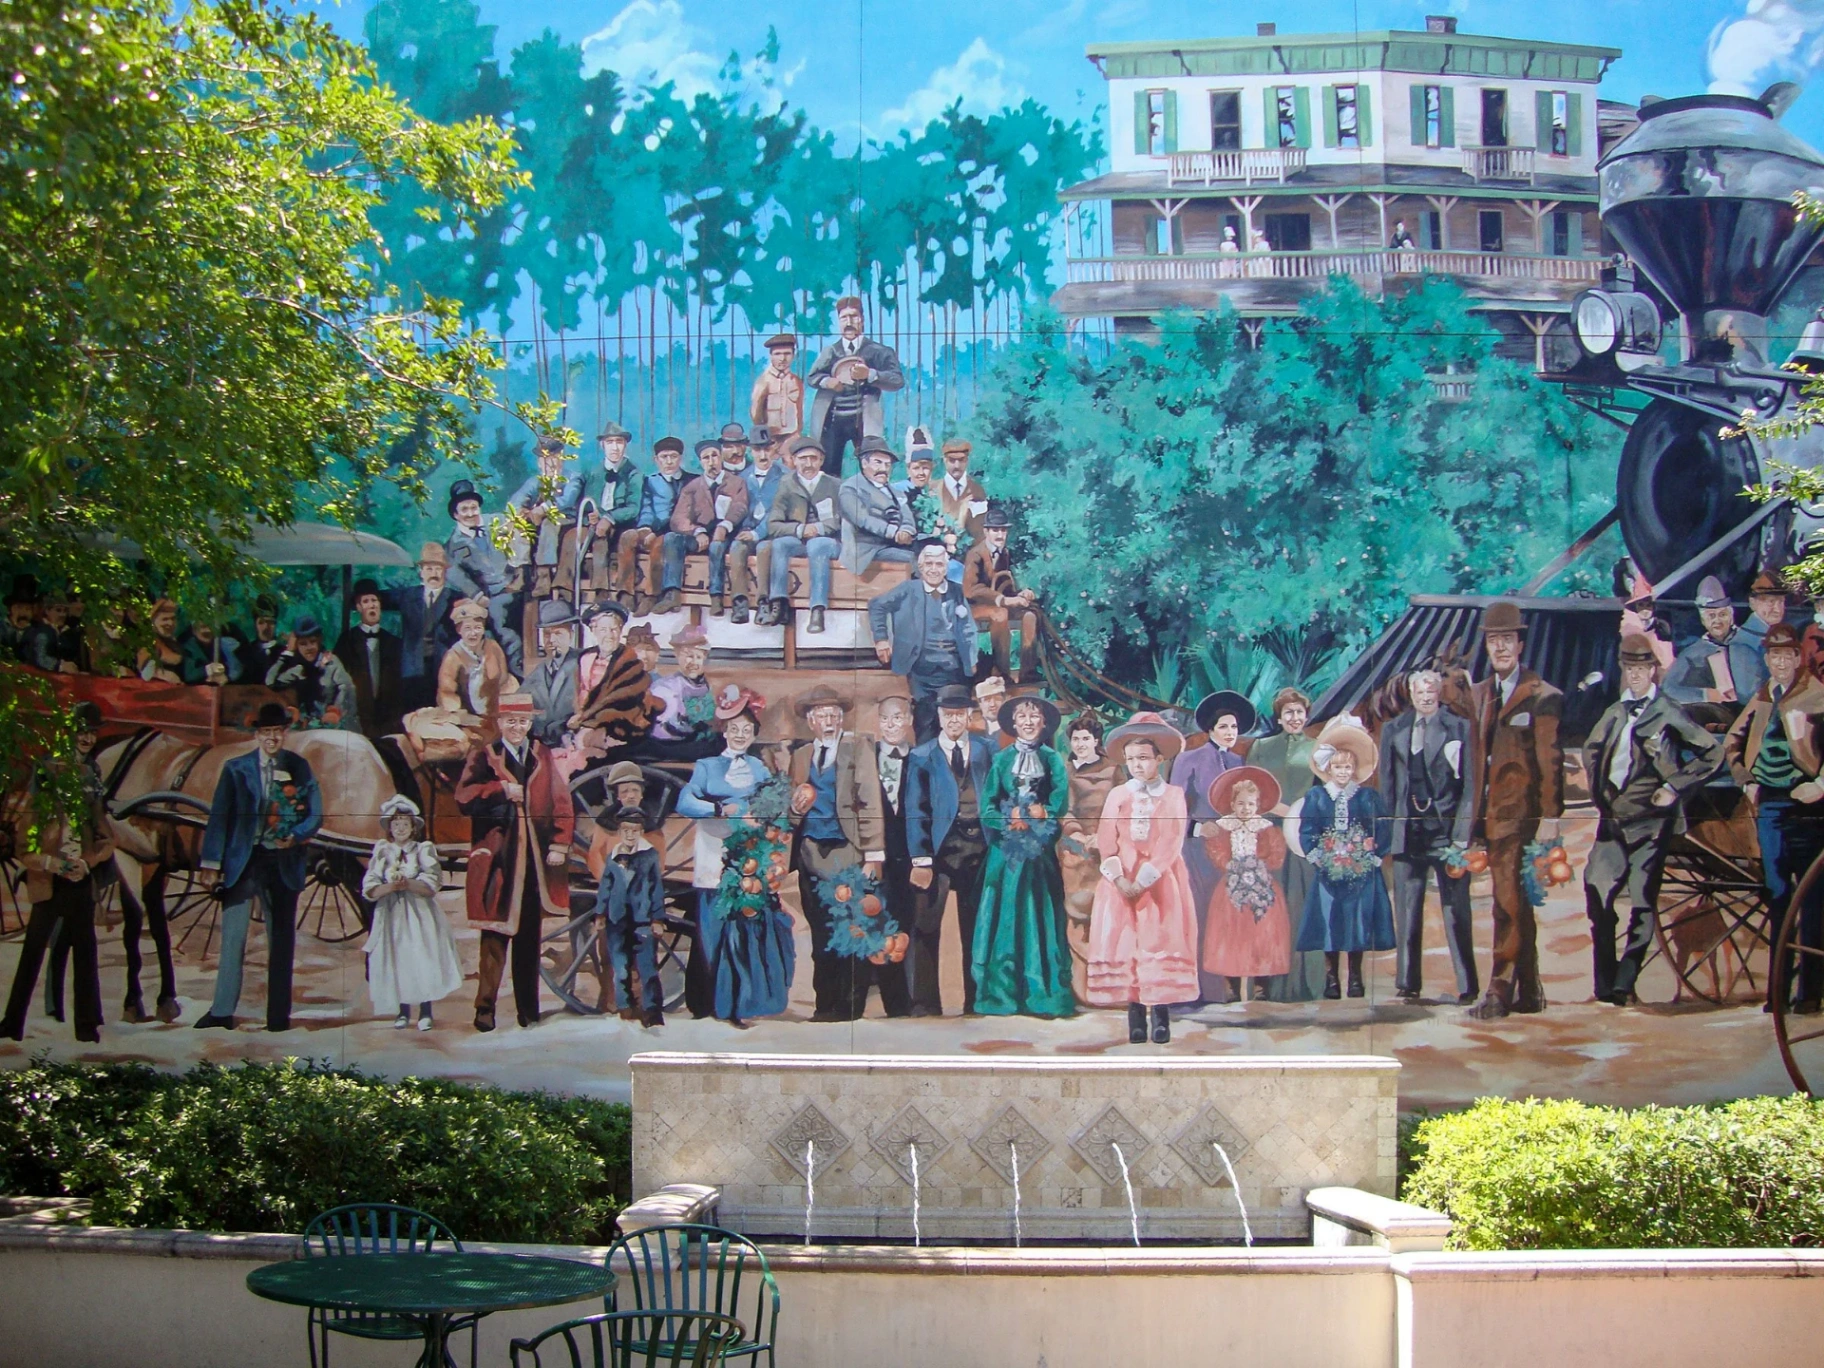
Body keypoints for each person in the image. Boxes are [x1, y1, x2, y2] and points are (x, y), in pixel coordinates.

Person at [1585, 635, 1724, 1007]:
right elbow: (1591, 750)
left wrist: (1674, 787)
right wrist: (1601, 794)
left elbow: (1712, 753)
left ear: (1652, 671)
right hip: (1613, 821)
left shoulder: (1667, 711)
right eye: (1629, 668)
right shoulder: (1615, 712)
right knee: (1597, 892)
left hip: (1651, 822)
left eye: (1642, 668)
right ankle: (1605, 980)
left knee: (1642, 901)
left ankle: (1623, 982)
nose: (1635, 675)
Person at [192, 701, 322, 1031]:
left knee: (281, 942)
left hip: (282, 861)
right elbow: (220, 817)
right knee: (233, 938)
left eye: (277, 731)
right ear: (257, 735)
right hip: (244, 861)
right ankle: (222, 1012)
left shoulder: (299, 767)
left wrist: (295, 835)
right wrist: (211, 863)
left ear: (285, 733)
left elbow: (315, 814)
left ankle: (277, 1017)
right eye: (266, 732)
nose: (272, 738)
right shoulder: (236, 769)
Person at [1466, 599, 1563, 1020]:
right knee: (1515, 901)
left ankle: (1499, 990)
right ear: (1487, 646)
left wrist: (1551, 817)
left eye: (1508, 639)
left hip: (1520, 817)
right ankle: (1530, 989)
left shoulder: (1543, 696)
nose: (1501, 647)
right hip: (1485, 817)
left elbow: (1550, 761)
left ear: (1520, 645)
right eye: (1494, 640)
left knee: (1506, 903)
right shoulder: (1478, 695)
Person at [455, 692, 573, 1031]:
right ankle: (485, 1009)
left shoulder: (541, 754)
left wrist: (560, 843)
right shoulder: (484, 755)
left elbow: (560, 799)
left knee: (528, 940)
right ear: (500, 723)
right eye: (510, 721)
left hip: (533, 864)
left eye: (522, 721)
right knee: (494, 937)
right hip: (499, 861)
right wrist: (499, 791)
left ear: (530, 723)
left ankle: (528, 1011)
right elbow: (463, 797)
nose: (517, 727)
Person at [1726, 623, 1824, 1013]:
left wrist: (1819, 785)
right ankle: (1778, 993)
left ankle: (1810, 994)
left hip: (1810, 807)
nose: (1780, 663)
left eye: (1786, 656)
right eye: (1774, 656)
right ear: (1766, 659)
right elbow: (1734, 741)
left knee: (1813, 900)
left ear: (1798, 658)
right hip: (1770, 805)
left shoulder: (1817, 695)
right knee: (1778, 895)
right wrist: (1746, 780)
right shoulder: (1764, 696)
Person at [0, 702, 112, 1043]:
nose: (87, 738)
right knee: (34, 950)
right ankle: (12, 1022)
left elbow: (105, 837)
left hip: (79, 880)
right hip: (49, 880)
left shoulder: (92, 774)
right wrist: (53, 864)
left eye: (92, 733)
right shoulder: (46, 770)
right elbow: (25, 843)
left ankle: (86, 1026)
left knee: (86, 952)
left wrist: (87, 863)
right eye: (82, 732)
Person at [1087, 712, 1199, 1043]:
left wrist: (1146, 878)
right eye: (1132, 759)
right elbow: (1106, 837)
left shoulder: (1172, 795)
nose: (1138, 765)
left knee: (1157, 942)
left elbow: (1171, 840)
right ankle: (1135, 1017)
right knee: (1127, 944)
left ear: (1159, 759)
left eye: (1145, 758)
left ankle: (1161, 1018)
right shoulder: (1118, 795)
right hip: (1121, 882)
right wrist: (1119, 877)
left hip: (1160, 883)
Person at [681, 695, 794, 1024]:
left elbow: (771, 806)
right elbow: (685, 801)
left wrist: (771, 826)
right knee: (714, 931)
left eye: (746, 730)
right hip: (715, 854)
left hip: (749, 857)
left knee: (744, 933)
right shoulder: (707, 766)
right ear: (725, 732)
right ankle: (713, 1003)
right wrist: (718, 808)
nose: (740, 735)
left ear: (754, 734)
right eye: (734, 729)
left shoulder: (759, 768)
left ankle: (739, 1005)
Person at [1379, 669, 1480, 1005]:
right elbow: (1388, 785)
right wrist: (1387, 831)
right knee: (1407, 909)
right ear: (1411, 693)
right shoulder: (1394, 729)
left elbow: (1470, 786)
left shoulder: (1459, 727)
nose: (1425, 697)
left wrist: (1462, 835)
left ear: (1439, 693)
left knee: (1456, 910)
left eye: (1431, 692)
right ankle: (1408, 983)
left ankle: (1467, 984)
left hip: (1446, 833)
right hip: (1408, 832)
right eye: (1420, 692)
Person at [787, 686, 886, 1021]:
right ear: (810, 722)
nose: (828, 722)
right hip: (811, 853)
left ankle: (849, 1005)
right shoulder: (801, 756)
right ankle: (825, 1003)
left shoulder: (857, 748)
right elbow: (791, 809)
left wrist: (873, 854)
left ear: (841, 719)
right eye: (822, 716)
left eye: (834, 715)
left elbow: (870, 799)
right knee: (820, 930)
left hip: (847, 851)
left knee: (851, 926)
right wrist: (794, 807)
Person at [904, 683, 995, 1015]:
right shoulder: (922, 756)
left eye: (959, 714)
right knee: (926, 925)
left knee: (977, 928)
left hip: (979, 850)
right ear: (939, 716)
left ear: (969, 716)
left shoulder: (987, 750)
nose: (954, 720)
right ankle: (924, 1003)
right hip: (938, 851)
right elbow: (915, 810)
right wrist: (921, 859)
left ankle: (978, 1000)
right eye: (948, 714)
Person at [1295, 719, 1395, 1000]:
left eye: (1348, 768)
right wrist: (1319, 856)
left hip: (1360, 873)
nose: (1342, 772)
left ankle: (1355, 977)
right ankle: (1331, 979)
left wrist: (1372, 853)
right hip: (1328, 871)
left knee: (1356, 922)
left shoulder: (1366, 797)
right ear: (1328, 769)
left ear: (1354, 770)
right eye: (1337, 767)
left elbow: (1382, 827)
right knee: (1330, 922)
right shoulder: (1317, 797)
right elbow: (1308, 829)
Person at [1242, 688, 1323, 1001]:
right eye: (1288, 712)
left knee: (1301, 903)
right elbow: (1250, 786)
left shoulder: (1317, 748)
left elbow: (1323, 791)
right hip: (1269, 833)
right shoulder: (1261, 747)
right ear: (1279, 717)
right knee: (1269, 905)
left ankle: (1306, 984)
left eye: (1299, 712)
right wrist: (1278, 809)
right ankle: (1268, 983)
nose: (1294, 717)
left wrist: (1302, 815)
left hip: (1303, 834)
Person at [1171, 690, 1252, 1003]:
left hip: (1230, 847)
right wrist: (1196, 828)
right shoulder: (1189, 759)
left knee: (1228, 913)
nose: (1230, 732)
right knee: (1200, 913)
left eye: (1234, 727)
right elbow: (1175, 807)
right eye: (1224, 727)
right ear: (1210, 730)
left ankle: (1226, 983)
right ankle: (1198, 987)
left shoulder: (1237, 761)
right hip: (1196, 847)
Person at [361, 795, 461, 1030]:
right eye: (396, 824)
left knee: (420, 957)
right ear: (389, 828)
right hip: (391, 915)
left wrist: (409, 884)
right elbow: (370, 885)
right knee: (398, 958)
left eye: (405, 824)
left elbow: (432, 883)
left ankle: (426, 1011)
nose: (400, 829)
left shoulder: (422, 849)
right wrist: (389, 887)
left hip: (418, 914)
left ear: (413, 827)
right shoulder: (383, 850)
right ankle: (402, 1011)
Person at [868, 540, 980, 743]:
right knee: (925, 722)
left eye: (939, 564)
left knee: (953, 723)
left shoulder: (956, 592)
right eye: (929, 564)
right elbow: (877, 605)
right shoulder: (909, 590)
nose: (934, 569)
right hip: (921, 668)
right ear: (920, 567)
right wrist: (881, 639)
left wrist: (971, 657)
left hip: (953, 668)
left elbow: (968, 627)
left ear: (945, 568)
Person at [1201, 766, 1290, 1004]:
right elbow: (1216, 852)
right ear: (1232, 804)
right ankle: (1231, 986)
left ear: (1258, 805)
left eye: (1250, 804)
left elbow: (1277, 855)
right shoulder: (1223, 828)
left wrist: (1259, 867)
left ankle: (1261, 987)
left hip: (1262, 886)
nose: (1245, 808)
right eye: (1240, 803)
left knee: (1262, 934)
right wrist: (1231, 865)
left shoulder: (1266, 828)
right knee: (1231, 934)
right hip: (1231, 886)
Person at [1056, 710, 1119, 1003]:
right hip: (1075, 850)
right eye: (1076, 739)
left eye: (1086, 739)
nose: (1080, 744)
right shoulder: (1064, 770)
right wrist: (1077, 833)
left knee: (1106, 916)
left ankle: (1108, 985)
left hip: (1107, 850)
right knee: (1077, 915)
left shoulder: (1114, 771)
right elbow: (1063, 808)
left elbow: (1121, 806)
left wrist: (1104, 835)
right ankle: (1081, 988)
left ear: (1096, 741)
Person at [807, 296, 905, 475]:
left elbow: (897, 380)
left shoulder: (878, 351)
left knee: (871, 467)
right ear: (839, 322)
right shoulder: (831, 352)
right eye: (844, 318)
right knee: (829, 469)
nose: (849, 322)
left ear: (862, 320)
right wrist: (828, 382)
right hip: (834, 419)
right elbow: (812, 377)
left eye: (853, 316)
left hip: (864, 419)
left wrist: (870, 374)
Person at [865, 695, 917, 1018]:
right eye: (885, 719)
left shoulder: (921, 759)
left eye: (898, 718)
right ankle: (881, 999)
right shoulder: (866, 758)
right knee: (873, 922)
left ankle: (902, 1005)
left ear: (909, 720)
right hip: (875, 857)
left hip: (910, 858)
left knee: (905, 925)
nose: (891, 725)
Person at [757, 437, 842, 632]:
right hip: (800, 540)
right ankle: (779, 602)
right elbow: (773, 524)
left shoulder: (835, 485)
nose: (808, 464)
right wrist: (800, 529)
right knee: (780, 544)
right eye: (803, 459)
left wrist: (819, 528)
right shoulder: (786, 484)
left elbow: (844, 519)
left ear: (821, 461)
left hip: (830, 542)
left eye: (813, 458)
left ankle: (817, 609)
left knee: (816, 545)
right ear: (794, 460)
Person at [593, 804, 666, 1026]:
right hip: (617, 920)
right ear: (619, 832)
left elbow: (656, 888)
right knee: (620, 968)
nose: (630, 835)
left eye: (634, 830)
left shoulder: (649, 856)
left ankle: (652, 1011)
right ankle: (625, 1009)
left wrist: (657, 918)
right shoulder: (613, 857)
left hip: (642, 920)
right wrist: (600, 913)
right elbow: (606, 886)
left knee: (647, 968)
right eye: (625, 830)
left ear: (641, 831)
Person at [444, 477, 523, 676]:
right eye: (464, 509)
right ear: (455, 514)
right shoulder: (453, 544)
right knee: (499, 622)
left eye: (474, 507)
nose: (471, 513)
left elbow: (522, 539)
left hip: (518, 585)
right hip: (491, 596)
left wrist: (520, 573)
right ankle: (517, 671)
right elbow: (454, 573)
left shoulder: (498, 522)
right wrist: (477, 595)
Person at [663, 440, 749, 617]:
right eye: (706, 458)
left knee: (716, 546)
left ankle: (716, 597)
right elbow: (678, 518)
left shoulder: (736, 483)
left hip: (726, 534)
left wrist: (725, 526)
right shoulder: (692, 487)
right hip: (700, 534)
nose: (711, 462)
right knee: (672, 538)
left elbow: (740, 507)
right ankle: (672, 593)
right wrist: (697, 531)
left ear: (721, 457)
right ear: (701, 462)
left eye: (714, 456)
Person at [963, 507, 1041, 684]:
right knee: (1000, 614)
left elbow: (1005, 586)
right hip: (975, 607)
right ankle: (1001, 669)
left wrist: (1020, 594)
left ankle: (1027, 672)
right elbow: (970, 590)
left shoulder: (1004, 553)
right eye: (995, 530)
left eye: (1003, 530)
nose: (1000, 535)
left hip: (999, 604)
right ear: (986, 532)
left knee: (1029, 616)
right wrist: (1003, 599)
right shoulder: (975, 554)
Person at [1664, 574, 1766, 710]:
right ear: (1703, 620)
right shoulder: (1692, 652)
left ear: (1731, 616)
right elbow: (1668, 688)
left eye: (1722, 614)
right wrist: (1705, 695)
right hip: (1716, 712)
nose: (1717, 620)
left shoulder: (1750, 639)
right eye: (1711, 616)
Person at [569, 601, 660, 752]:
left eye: (614, 629)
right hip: (583, 722)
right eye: (603, 630)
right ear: (593, 631)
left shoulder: (630, 661)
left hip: (618, 725)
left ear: (620, 630)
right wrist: (579, 715)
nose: (609, 635)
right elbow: (580, 691)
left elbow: (622, 700)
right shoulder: (585, 658)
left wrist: (587, 722)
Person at [614, 437, 688, 614]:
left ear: (681, 458)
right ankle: (625, 593)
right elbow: (646, 506)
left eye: (673, 456)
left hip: (673, 531)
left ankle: (651, 594)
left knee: (660, 544)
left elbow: (684, 514)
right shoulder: (650, 481)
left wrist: (656, 531)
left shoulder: (691, 481)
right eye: (664, 457)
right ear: (656, 459)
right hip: (651, 527)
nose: (668, 462)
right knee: (628, 537)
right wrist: (645, 527)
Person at [507, 434, 585, 599]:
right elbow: (516, 499)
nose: (548, 463)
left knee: (549, 523)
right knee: (518, 522)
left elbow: (567, 500)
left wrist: (543, 509)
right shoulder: (535, 481)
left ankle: (544, 574)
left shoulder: (573, 477)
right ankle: (521, 572)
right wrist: (521, 510)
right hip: (539, 520)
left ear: (560, 457)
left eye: (552, 457)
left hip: (566, 519)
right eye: (544, 458)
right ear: (538, 462)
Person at [382, 547, 457, 712]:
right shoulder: (407, 596)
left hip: (443, 668)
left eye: (438, 569)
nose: (434, 574)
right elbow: (375, 599)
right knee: (412, 714)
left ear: (445, 572)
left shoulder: (455, 599)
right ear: (421, 572)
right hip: (413, 668)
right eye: (429, 568)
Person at [728, 426, 784, 625]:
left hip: (773, 533)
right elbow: (740, 507)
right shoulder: (742, 478)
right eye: (757, 450)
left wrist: (757, 533)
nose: (763, 455)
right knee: (737, 547)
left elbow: (779, 511)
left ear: (774, 448)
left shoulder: (785, 476)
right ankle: (740, 602)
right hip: (749, 531)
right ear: (751, 451)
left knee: (764, 549)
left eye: (767, 449)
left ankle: (763, 602)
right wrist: (744, 529)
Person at [335, 578, 404, 738]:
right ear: (359, 607)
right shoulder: (346, 641)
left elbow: (399, 685)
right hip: (357, 717)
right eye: (366, 601)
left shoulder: (393, 642)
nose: (372, 605)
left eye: (374, 600)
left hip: (387, 721)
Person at [840, 438, 918, 574]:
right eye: (878, 463)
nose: (883, 469)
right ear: (864, 463)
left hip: (892, 545)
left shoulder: (895, 492)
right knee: (913, 558)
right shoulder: (850, 488)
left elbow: (907, 517)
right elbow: (862, 519)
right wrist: (893, 532)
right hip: (866, 550)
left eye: (888, 465)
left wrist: (906, 531)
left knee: (928, 550)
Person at [266, 617, 358, 730]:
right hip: (304, 725)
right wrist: (288, 652)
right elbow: (270, 683)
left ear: (319, 641)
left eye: (312, 642)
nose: (309, 648)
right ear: (296, 645)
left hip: (332, 724)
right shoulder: (296, 667)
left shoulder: (331, 662)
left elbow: (348, 688)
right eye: (303, 644)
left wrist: (335, 710)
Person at [585, 422, 643, 602]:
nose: (615, 447)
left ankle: (625, 594)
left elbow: (633, 508)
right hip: (600, 526)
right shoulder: (594, 472)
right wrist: (593, 516)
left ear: (625, 445)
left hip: (623, 525)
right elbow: (587, 501)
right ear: (602, 445)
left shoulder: (634, 473)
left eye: (619, 442)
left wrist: (609, 518)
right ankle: (600, 592)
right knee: (598, 539)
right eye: (610, 442)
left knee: (627, 539)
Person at [436, 599, 512, 722]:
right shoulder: (453, 656)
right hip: (467, 717)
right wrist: (460, 714)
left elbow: (504, 678)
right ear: (459, 630)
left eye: (477, 628)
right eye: (467, 628)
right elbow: (446, 691)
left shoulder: (493, 646)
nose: (473, 633)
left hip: (495, 713)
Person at [525, 600, 581, 751]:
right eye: (547, 634)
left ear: (571, 635)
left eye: (558, 633)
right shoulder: (536, 674)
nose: (551, 640)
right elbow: (520, 707)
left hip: (575, 744)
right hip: (541, 748)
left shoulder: (584, 663)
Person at [650, 625, 714, 745]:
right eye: (689, 656)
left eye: (699, 657)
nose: (694, 662)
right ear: (677, 656)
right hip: (668, 744)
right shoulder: (665, 686)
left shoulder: (705, 686)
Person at [937, 440, 988, 557]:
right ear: (944, 460)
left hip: (971, 557)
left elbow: (980, 532)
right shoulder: (933, 491)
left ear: (967, 461)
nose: (957, 466)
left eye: (961, 460)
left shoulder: (977, 491)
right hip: (937, 558)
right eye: (952, 460)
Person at [750, 332, 805, 437]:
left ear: (793, 355)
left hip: (792, 435)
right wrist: (763, 432)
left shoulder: (796, 381)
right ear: (771, 356)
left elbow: (799, 409)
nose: (782, 358)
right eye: (777, 354)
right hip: (771, 437)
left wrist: (798, 431)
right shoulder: (764, 381)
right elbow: (755, 411)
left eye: (787, 354)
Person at [238, 593, 287, 687]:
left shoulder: (284, 653)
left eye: (270, 623)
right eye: (261, 622)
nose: (266, 627)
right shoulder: (245, 652)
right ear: (255, 625)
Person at [1739, 571, 1790, 654]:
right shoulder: (1744, 643)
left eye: (1781, 602)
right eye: (1771, 602)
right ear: (1753, 603)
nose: (1777, 609)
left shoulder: (1780, 634)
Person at [178, 619, 241, 686]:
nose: (208, 630)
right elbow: (189, 675)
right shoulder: (189, 648)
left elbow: (236, 667)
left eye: (211, 626)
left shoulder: (225, 644)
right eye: (203, 627)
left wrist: (227, 677)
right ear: (194, 630)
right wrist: (208, 669)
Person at [137, 598, 184, 683]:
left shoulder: (176, 644)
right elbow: (144, 675)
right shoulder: (149, 644)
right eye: (165, 619)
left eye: (173, 619)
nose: (170, 623)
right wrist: (161, 674)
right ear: (153, 622)